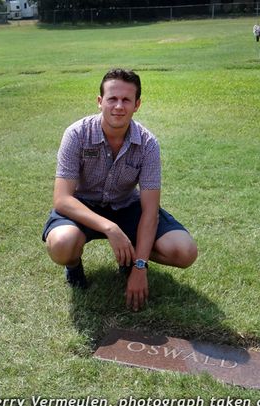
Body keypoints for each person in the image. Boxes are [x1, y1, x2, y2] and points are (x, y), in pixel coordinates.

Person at [42, 68, 198, 311]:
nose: (118, 106)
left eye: (126, 100)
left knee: (184, 251)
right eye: (112, 98)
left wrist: (140, 266)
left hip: (126, 205)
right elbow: (62, 199)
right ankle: (73, 265)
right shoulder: (76, 134)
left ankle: (131, 257)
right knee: (62, 245)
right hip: (83, 206)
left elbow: (150, 211)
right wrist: (110, 228)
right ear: (99, 101)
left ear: (137, 105)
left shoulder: (148, 144)